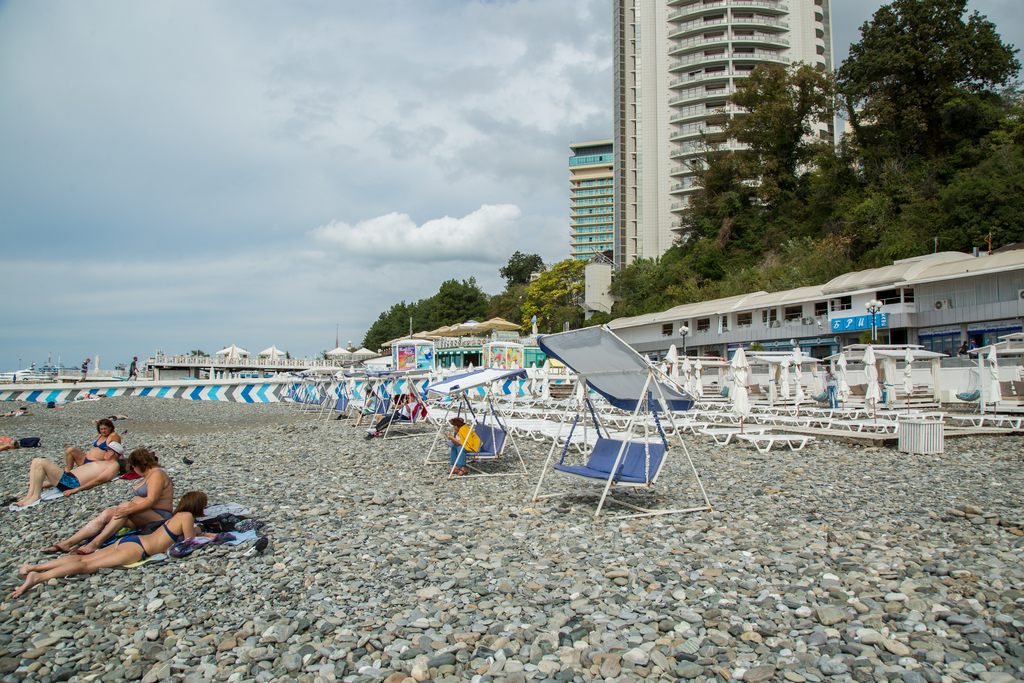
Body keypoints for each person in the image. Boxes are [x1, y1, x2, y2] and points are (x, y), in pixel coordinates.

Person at [11, 492, 211, 599]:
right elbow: (188, 541)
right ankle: (39, 577)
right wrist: (206, 535)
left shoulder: (177, 516)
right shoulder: (187, 517)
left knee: (84, 558)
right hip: (137, 550)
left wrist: (199, 531)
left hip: (131, 541)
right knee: (88, 566)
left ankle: (33, 567)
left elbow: (180, 533)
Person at [43, 448, 173, 555]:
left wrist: (129, 509)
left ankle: (96, 542)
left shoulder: (157, 474)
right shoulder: (148, 475)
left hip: (159, 518)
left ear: (138, 465)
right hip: (143, 515)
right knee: (107, 513)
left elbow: (151, 501)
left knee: (125, 507)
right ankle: (68, 543)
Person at [13, 455, 124, 508]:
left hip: (72, 482)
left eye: (109, 450)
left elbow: (99, 480)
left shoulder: (114, 465)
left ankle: (35, 496)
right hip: (69, 477)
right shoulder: (104, 461)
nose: (106, 451)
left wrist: (76, 490)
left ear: (115, 453)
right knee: (35, 461)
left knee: (40, 462)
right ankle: (29, 496)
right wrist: (46, 485)